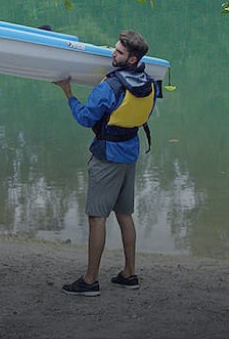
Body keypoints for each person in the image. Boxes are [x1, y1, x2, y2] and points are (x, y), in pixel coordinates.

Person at [53, 30, 158, 297]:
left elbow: (86, 118)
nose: (113, 54)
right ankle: (129, 274)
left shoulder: (109, 87)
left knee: (97, 217)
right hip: (130, 153)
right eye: (114, 49)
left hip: (107, 157)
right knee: (124, 214)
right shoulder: (149, 82)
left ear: (132, 59)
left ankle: (90, 281)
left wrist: (68, 94)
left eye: (119, 52)